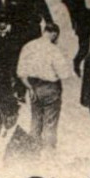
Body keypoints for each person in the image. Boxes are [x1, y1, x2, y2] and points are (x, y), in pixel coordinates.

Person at [17, 20, 73, 150]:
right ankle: (48, 152)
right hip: (50, 88)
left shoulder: (28, 46)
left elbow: (20, 72)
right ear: (54, 35)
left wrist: (29, 87)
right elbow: (64, 74)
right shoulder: (54, 50)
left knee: (35, 120)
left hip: (33, 87)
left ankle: (33, 150)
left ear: (44, 32)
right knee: (50, 122)